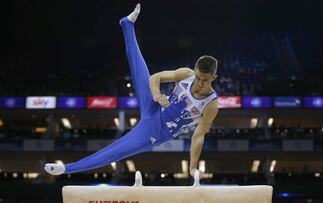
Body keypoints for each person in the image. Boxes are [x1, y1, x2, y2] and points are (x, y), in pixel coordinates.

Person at [44, 3, 218, 178]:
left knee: (118, 150)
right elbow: (155, 78)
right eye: (198, 77)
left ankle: (67, 169)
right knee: (141, 73)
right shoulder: (186, 74)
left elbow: (198, 136)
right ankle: (127, 24)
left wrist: (193, 167)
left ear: (214, 77)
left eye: (205, 80)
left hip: (158, 131)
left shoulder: (210, 104)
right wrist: (157, 95)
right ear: (194, 71)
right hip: (155, 106)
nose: (200, 83)